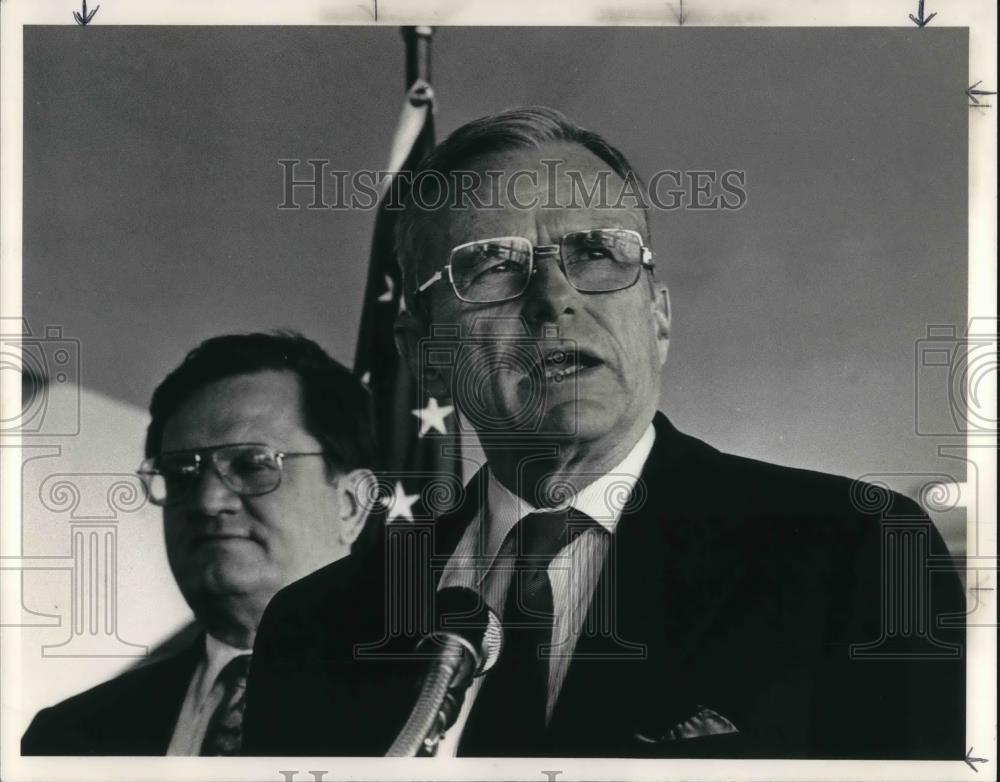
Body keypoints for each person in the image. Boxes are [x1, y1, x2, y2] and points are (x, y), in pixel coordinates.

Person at [241, 108, 965, 759]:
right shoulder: (315, 628)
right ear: (419, 352)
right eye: (493, 265)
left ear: (658, 318)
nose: (555, 299)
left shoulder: (860, 550)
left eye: (595, 253)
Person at [21, 331, 378, 756]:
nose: (208, 501)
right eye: (181, 473)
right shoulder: (65, 737)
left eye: (252, 464)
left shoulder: (429, 697)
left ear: (352, 505)